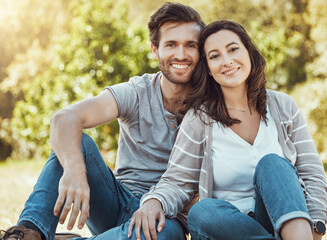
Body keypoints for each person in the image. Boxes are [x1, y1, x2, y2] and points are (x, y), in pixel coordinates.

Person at [1, 3, 205, 240]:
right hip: (116, 202)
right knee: (78, 143)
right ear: (155, 49)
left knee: (162, 237)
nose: (181, 54)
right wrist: (75, 171)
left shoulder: (210, 107)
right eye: (171, 44)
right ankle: (29, 232)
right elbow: (64, 118)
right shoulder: (137, 92)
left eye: (190, 45)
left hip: (166, 217)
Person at [129, 20, 327, 240]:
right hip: (227, 230)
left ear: (249, 53)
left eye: (233, 49)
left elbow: (312, 173)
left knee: (273, 164)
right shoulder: (199, 119)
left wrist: (316, 229)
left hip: (285, 225)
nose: (226, 61)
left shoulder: (283, 106)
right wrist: (154, 201)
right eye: (214, 56)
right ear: (209, 70)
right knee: (202, 212)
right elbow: (177, 181)